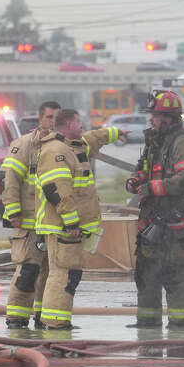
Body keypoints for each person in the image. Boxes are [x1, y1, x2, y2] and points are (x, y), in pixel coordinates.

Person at [125, 90, 184, 329]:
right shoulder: (156, 144)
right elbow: (143, 170)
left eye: (156, 116)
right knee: (146, 274)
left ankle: (180, 329)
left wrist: (150, 188)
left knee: (175, 278)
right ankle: (147, 325)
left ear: (169, 118)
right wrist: (135, 181)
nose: (152, 120)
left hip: (176, 225)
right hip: (153, 223)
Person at [33, 109, 111, 331]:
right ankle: (56, 323)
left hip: (65, 226)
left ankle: (54, 320)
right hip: (63, 227)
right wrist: (71, 222)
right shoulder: (57, 151)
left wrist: (114, 133)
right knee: (64, 274)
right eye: (78, 122)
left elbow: (94, 138)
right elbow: (57, 190)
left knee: (65, 273)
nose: (82, 125)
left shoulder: (66, 147)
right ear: (67, 124)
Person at [0, 100, 60, 328]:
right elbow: (11, 181)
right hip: (29, 221)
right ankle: (16, 317)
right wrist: (13, 212)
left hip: (53, 222)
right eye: (49, 117)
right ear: (40, 119)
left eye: (57, 118)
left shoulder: (62, 147)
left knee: (50, 272)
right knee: (28, 270)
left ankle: (42, 315)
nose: (53, 122)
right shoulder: (23, 145)